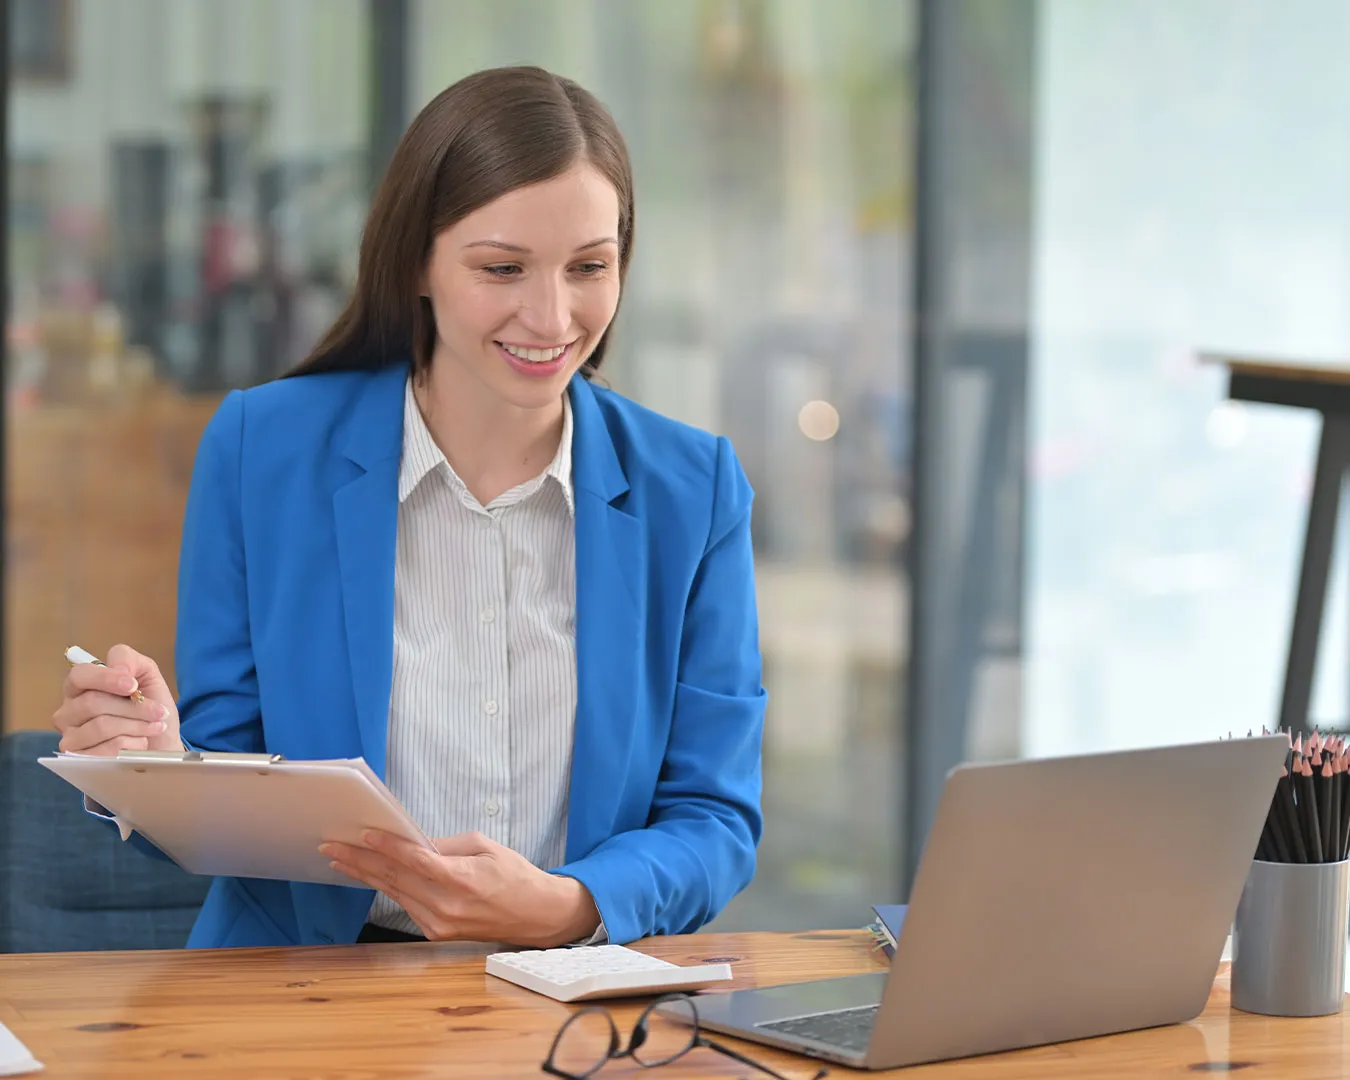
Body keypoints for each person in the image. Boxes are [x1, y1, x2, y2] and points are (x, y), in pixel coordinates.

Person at [49, 66, 765, 950]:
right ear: (417, 261)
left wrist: (571, 904)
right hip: (307, 996)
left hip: (571, 991)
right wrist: (157, 765)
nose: (551, 316)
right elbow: (222, 789)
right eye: (502, 268)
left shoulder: (692, 490)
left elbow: (715, 819)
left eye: (590, 267)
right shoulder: (262, 450)